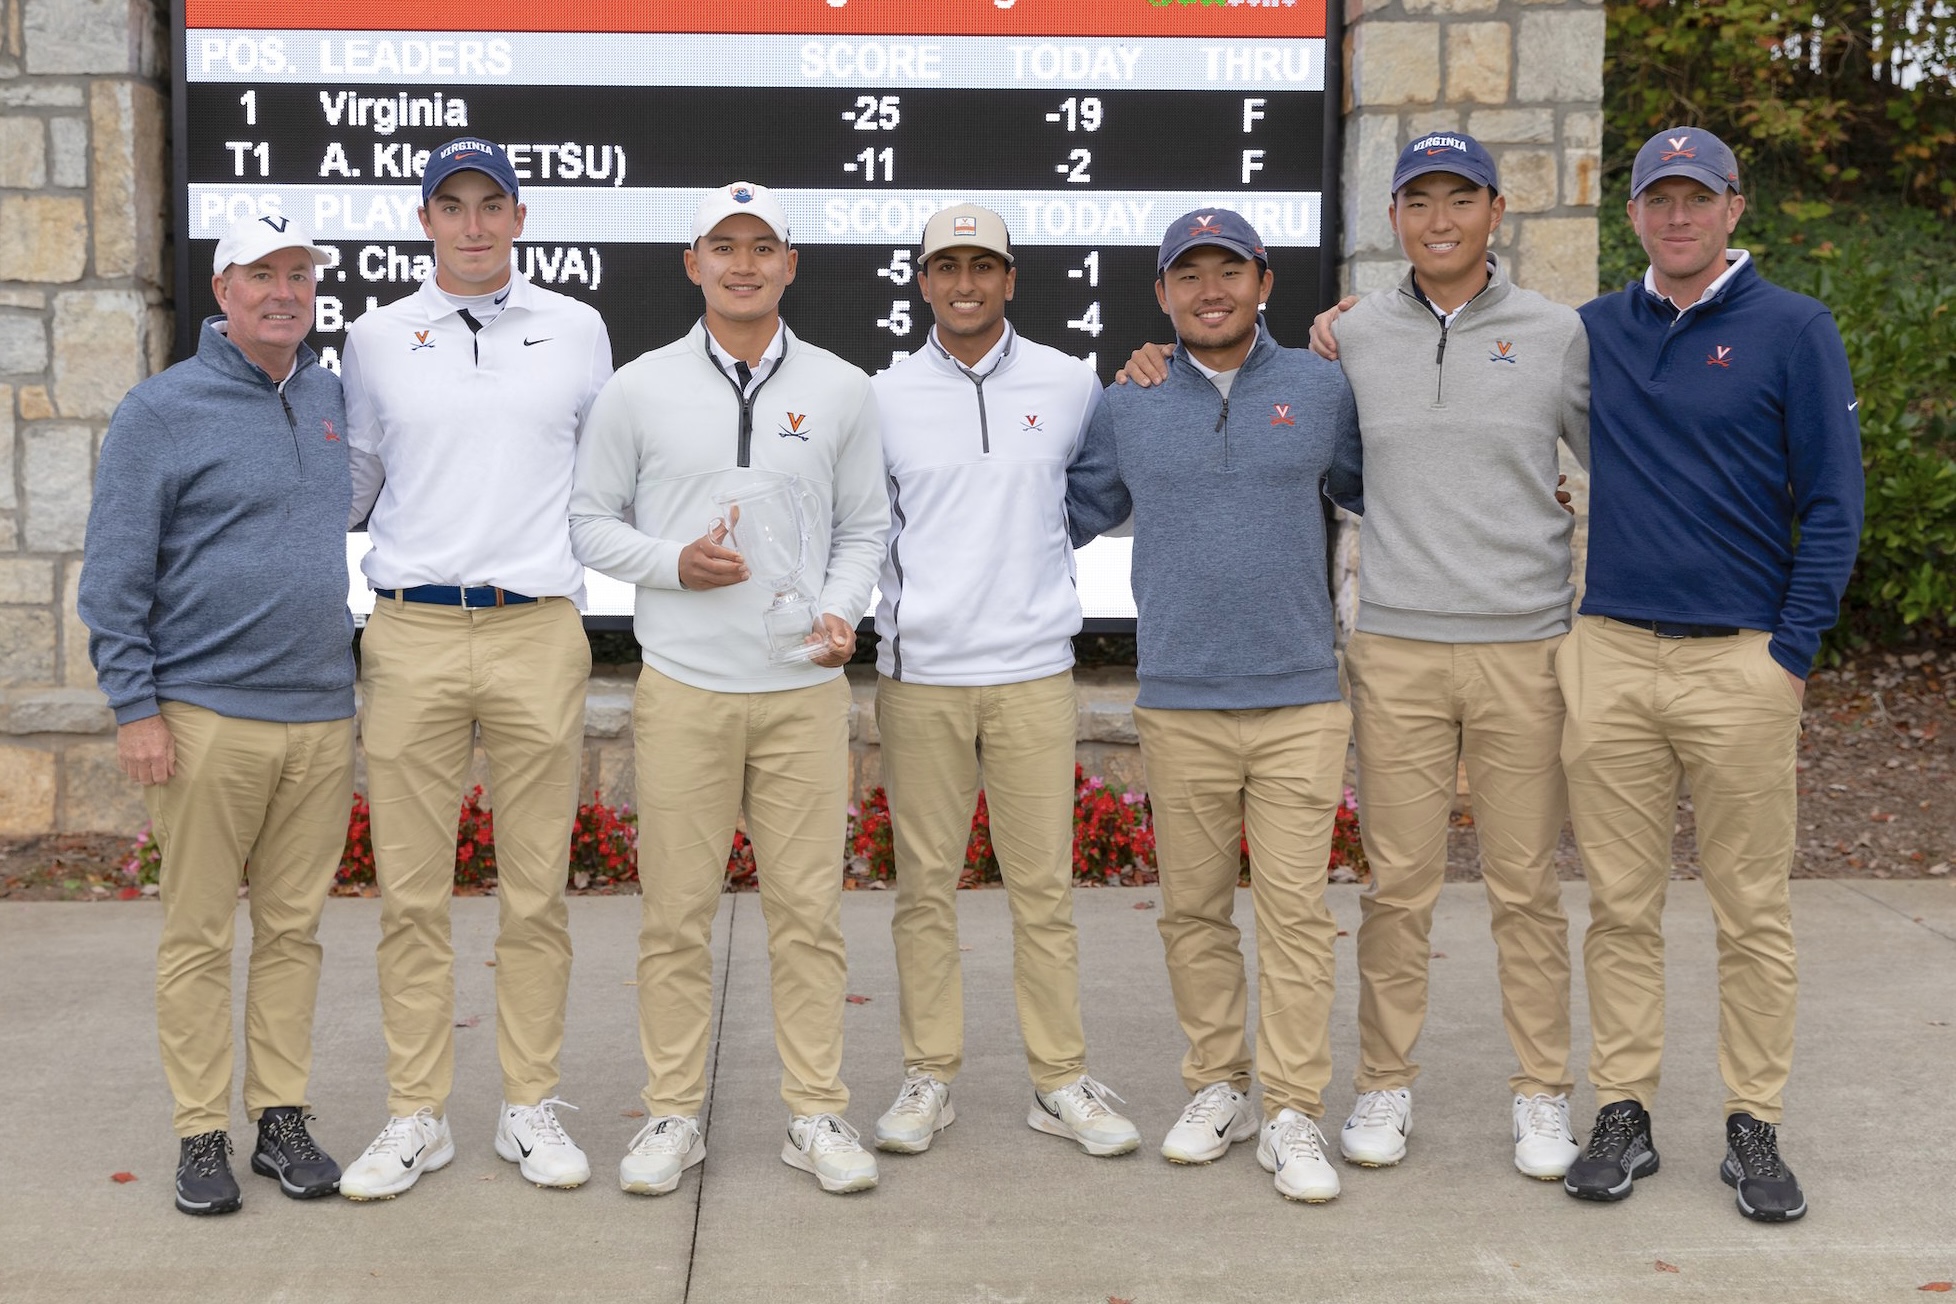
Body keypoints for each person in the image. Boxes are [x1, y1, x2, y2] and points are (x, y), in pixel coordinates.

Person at [1131, 134, 1592, 1182]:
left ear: (1494, 209)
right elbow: (1329, 464)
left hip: (1523, 644)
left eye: (1459, 199)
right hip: (1395, 644)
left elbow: (1615, 462)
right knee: (1399, 888)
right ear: (1393, 217)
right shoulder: (1350, 342)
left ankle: (1541, 1093)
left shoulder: (1558, 334)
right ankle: (1384, 1082)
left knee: (1524, 884)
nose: (1439, 219)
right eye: (1418, 201)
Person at [1553, 127, 1861, 1222]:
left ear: (1735, 208)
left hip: (1740, 662)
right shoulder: (1593, 330)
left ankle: (1753, 1123)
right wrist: (1342, 322)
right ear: (1632, 214)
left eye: (1697, 197)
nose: (1676, 216)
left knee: (1750, 906)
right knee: (1620, 905)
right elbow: (1469, 354)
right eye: (1657, 199)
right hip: (1613, 653)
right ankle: (1624, 1108)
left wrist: (1790, 654)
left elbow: (1833, 504)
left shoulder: (1793, 329)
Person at [570, 181, 889, 1195]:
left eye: (763, 248)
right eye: (724, 246)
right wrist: (670, 562)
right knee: (675, 913)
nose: (743, 263)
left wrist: (843, 612)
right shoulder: (638, 387)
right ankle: (672, 1112)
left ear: (791, 264)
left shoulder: (843, 387)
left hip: (801, 693)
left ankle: (815, 1112)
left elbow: (863, 528)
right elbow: (587, 523)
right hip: (684, 689)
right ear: (692, 263)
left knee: (809, 910)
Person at [336, 137, 614, 1200]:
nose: (472, 224)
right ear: (424, 222)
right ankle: (417, 1113)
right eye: (450, 206)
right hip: (409, 629)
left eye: (490, 203)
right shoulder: (376, 336)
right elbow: (354, 480)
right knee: (412, 893)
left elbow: (608, 474)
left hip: (537, 625)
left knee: (535, 889)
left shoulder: (578, 330)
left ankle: (527, 1103)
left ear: (519, 215)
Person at [1067, 208, 1362, 1202]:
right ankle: (1217, 1086)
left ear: (1262, 281)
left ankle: (1291, 1110)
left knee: (1294, 913)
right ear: (1162, 294)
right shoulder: (1130, 400)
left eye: (1226, 271)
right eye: (1187, 275)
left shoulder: (1323, 390)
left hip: (1298, 698)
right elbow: (1072, 505)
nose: (1208, 290)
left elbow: (1373, 485)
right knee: (1193, 912)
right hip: (1181, 698)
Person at [78, 213, 355, 1215]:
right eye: (261, 274)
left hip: (322, 715)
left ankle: (281, 1114)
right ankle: (202, 1130)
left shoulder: (327, 397)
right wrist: (135, 706)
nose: (284, 290)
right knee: (198, 933)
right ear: (222, 285)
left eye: (299, 273)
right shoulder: (160, 410)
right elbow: (113, 574)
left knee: (294, 930)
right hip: (203, 718)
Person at [863, 203, 1140, 1160]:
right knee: (923, 890)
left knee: (1043, 890)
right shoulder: (882, 393)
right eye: (948, 267)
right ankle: (928, 1077)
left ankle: (1058, 1080)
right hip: (922, 676)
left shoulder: (1068, 382)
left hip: (1031, 671)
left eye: (984, 266)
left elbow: (1097, 494)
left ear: (1011, 278)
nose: (966, 283)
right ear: (924, 280)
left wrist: (1020, 558)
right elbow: (866, 522)